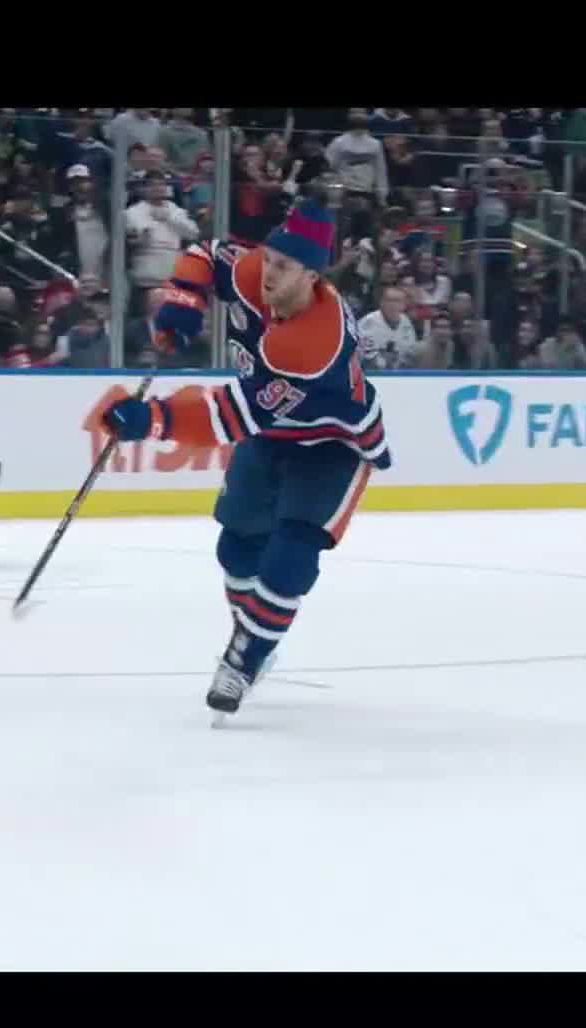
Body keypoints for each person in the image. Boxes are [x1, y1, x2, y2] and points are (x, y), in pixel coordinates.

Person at [100, 199, 393, 718]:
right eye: (270, 259)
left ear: (311, 276)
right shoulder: (258, 270)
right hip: (271, 434)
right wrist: (184, 301)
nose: (269, 273)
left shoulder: (312, 341)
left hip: (334, 444)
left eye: (283, 266)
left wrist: (153, 420)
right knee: (236, 549)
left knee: (290, 558)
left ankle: (244, 660)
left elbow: (229, 417)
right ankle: (253, 633)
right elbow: (205, 254)